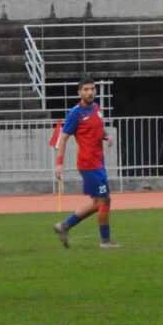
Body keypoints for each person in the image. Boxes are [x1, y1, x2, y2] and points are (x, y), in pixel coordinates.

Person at [53, 76, 118, 249]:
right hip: (89, 164)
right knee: (104, 200)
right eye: (86, 89)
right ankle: (105, 241)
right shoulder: (75, 113)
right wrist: (59, 163)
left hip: (99, 162)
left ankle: (64, 226)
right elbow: (63, 138)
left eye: (92, 89)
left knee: (99, 202)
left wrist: (106, 136)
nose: (90, 92)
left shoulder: (96, 108)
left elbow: (97, 129)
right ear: (79, 92)